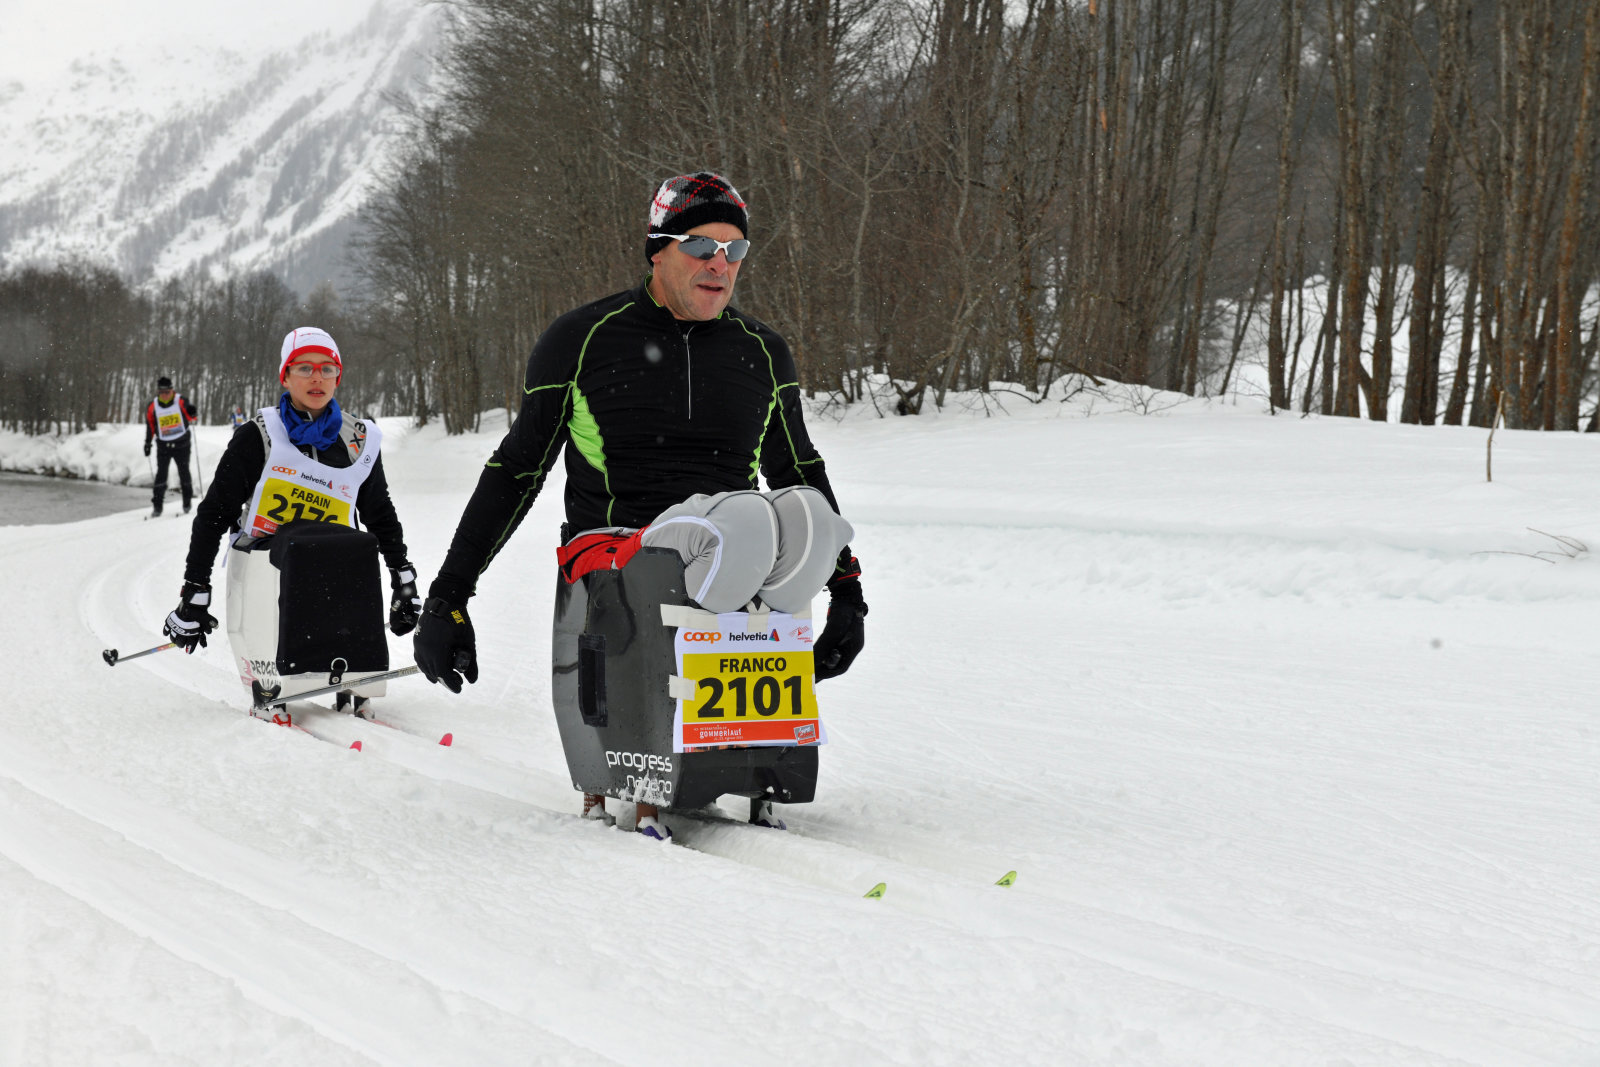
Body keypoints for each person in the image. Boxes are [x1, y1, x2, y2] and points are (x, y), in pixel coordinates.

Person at [413, 171, 868, 840]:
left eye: (735, 250)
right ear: (658, 249)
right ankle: (673, 721)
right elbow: (517, 469)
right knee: (744, 520)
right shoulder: (584, 339)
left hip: (726, 547)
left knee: (806, 518)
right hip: (616, 551)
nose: (720, 264)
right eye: (701, 246)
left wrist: (848, 592)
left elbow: (798, 467)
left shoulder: (762, 352)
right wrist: (449, 595)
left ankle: (749, 736)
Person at [161, 327, 424, 719]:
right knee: (292, 555)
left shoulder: (358, 440)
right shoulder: (258, 435)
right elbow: (213, 515)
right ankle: (270, 686)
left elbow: (380, 515)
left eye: (326, 369)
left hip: (333, 569)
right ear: (285, 376)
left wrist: (403, 577)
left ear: (338, 377)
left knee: (348, 550)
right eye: (304, 368)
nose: (317, 378)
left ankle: (353, 678)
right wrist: (196, 589)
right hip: (265, 567)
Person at [143, 376, 198, 517]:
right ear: (158, 392)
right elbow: (150, 425)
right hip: (163, 445)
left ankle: (187, 503)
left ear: (172, 390)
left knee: (184, 472)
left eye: (167, 392)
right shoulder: (153, 406)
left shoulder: (181, 401)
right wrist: (148, 443)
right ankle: (157, 507)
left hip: (182, 444)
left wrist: (192, 412)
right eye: (162, 392)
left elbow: (192, 418)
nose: (165, 395)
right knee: (161, 475)